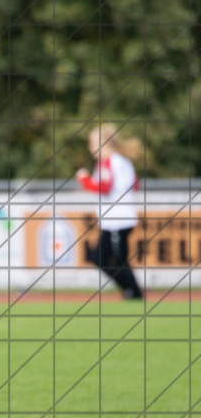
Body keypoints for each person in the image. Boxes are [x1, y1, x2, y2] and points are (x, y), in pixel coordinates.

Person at [75, 123, 143, 300]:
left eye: (92, 143)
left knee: (102, 259)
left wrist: (84, 180)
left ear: (103, 142)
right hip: (122, 219)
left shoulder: (108, 162)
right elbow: (135, 185)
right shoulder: (124, 162)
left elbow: (104, 187)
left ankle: (134, 293)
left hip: (116, 221)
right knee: (115, 260)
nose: (90, 147)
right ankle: (132, 292)